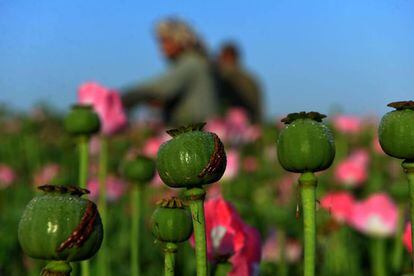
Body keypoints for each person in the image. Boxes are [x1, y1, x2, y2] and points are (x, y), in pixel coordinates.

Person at [121, 18, 219, 125]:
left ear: (179, 39)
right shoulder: (198, 61)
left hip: (196, 127)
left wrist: (119, 99)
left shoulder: (191, 63)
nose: (162, 47)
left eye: (165, 41)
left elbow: (157, 89)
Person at [215, 42, 263, 123]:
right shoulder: (251, 79)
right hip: (252, 125)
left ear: (226, 57)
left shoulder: (225, 78)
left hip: (232, 128)